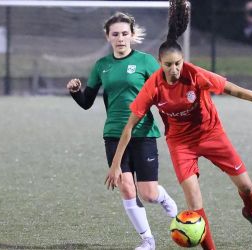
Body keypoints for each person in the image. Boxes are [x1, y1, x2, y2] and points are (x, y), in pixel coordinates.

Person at [105, 1, 252, 249]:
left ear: (183, 60)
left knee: (246, 186)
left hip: (212, 135)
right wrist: (115, 166)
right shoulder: (153, 86)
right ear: (160, 63)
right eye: (168, 65)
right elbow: (128, 127)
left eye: (178, 63)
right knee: (194, 202)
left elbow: (238, 91)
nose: (175, 69)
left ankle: (251, 213)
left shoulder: (195, 74)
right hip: (181, 145)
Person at [66, 12, 177, 250]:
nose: (120, 38)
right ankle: (148, 240)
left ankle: (162, 196)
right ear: (108, 37)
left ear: (132, 35)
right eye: (115, 34)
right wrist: (76, 91)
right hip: (114, 133)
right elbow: (87, 102)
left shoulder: (147, 62)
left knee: (148, 194)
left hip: (144, 133)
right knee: (126, 186)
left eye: (125, 33)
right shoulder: (102, 66)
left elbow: (164, 93)